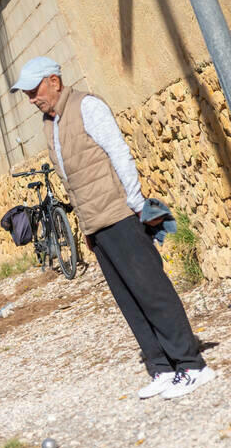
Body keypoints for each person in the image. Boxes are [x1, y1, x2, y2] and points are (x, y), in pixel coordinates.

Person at [11, 56, 216, 399]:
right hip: (96, 223)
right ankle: (161, 368)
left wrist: (137, 205)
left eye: (34, 89)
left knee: (152, 292)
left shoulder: (87, 106)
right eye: (27, 93)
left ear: (54, 81)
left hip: (120, 214)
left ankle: (192, 365)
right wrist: (87, 229)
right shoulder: (51, 122)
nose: (31, 98)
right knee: (128, 299)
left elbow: (119, 154)